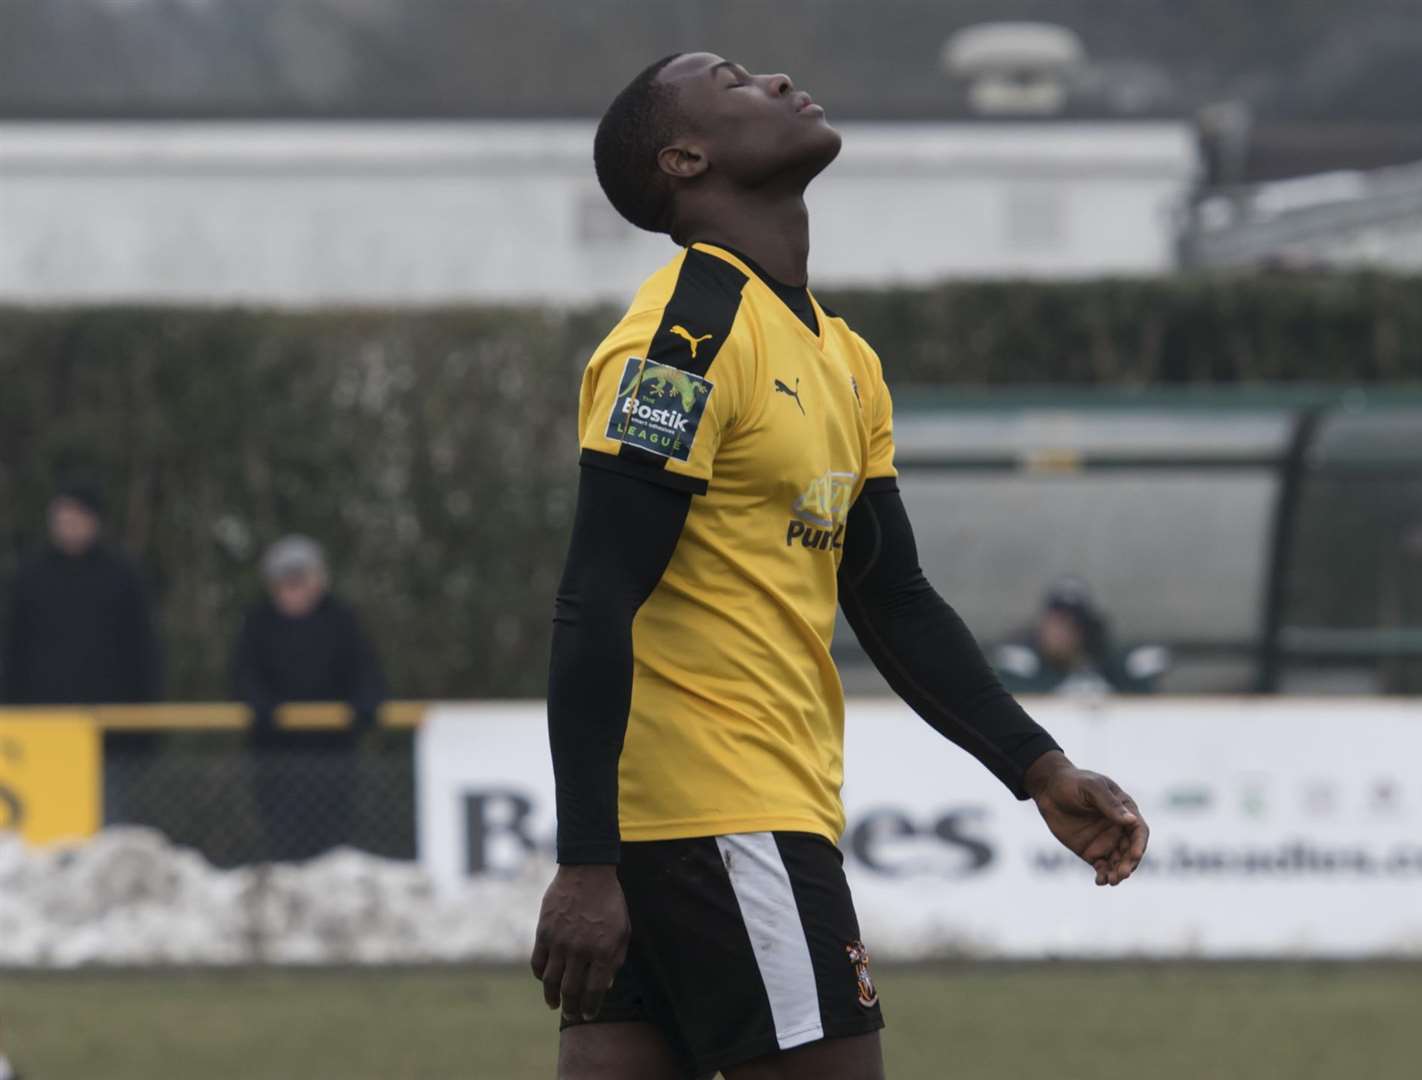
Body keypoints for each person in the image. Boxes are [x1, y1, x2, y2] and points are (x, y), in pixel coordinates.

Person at [535, 53, 1151, 1080]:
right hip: (722, 822)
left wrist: (1038, 769)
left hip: (713, 830)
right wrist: (586, 862)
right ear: (686, 160)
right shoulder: (683, 343)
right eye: (733, 82)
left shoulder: (839, 356)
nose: (775, 80)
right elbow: (593, 602)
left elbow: (892, 599)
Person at [230, 536, 385, 862]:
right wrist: (261, 705)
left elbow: (365, 671)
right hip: (276, 755)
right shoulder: (257, 623)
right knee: (283, 840)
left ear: (317, 581)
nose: (293, 589)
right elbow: (243, 675)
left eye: (300, 580)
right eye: (284, 582)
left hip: (332, 754)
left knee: (334, 842)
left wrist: (364, 704)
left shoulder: (341, 620)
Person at [1, 482, 161, 707]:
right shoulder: (29, 577)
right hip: (42, 714)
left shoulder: (122, 576)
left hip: (111, 714)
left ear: (94, 521)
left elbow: (142, 649)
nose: (69, 525)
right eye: (62, 517)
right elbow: (13, 648)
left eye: (76, 517)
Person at [994, 577, 1169, 696]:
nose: (1060, 633)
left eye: (1071, 625)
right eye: (1055, 622)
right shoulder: (1024, 663)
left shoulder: (1108, 664)